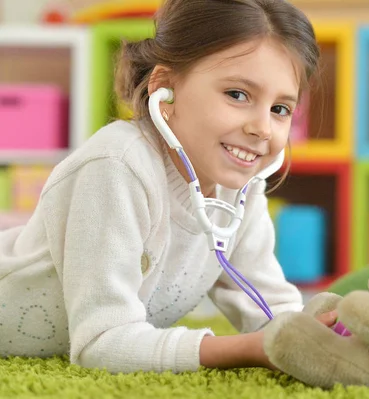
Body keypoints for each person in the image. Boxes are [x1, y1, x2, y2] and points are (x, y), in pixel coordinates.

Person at [0, 0, 338, 373]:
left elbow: (271, 309)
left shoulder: (239, 190)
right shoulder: (116, 164)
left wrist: (328, 337)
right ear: (166, 89)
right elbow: (102, 342)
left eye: (280, 109)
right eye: (237, 94)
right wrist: (246, 349)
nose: (262, 128)